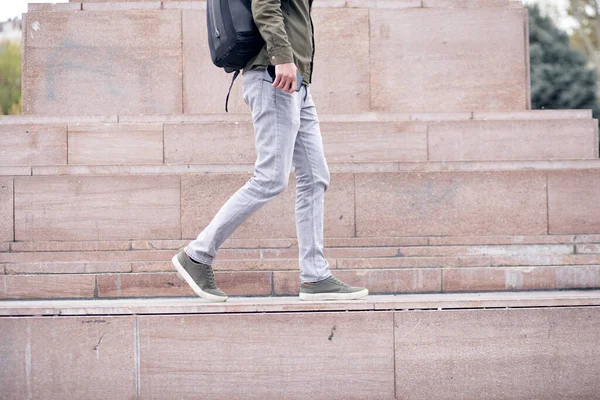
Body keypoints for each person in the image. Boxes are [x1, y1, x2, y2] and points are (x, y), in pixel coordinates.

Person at [171, 0, 369, 302]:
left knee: (316, 176)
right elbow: (265, 5)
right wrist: (282, 56)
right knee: (270, 178)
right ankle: (197, 256)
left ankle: (315, 277)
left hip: (296, 82)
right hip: (275, 74)